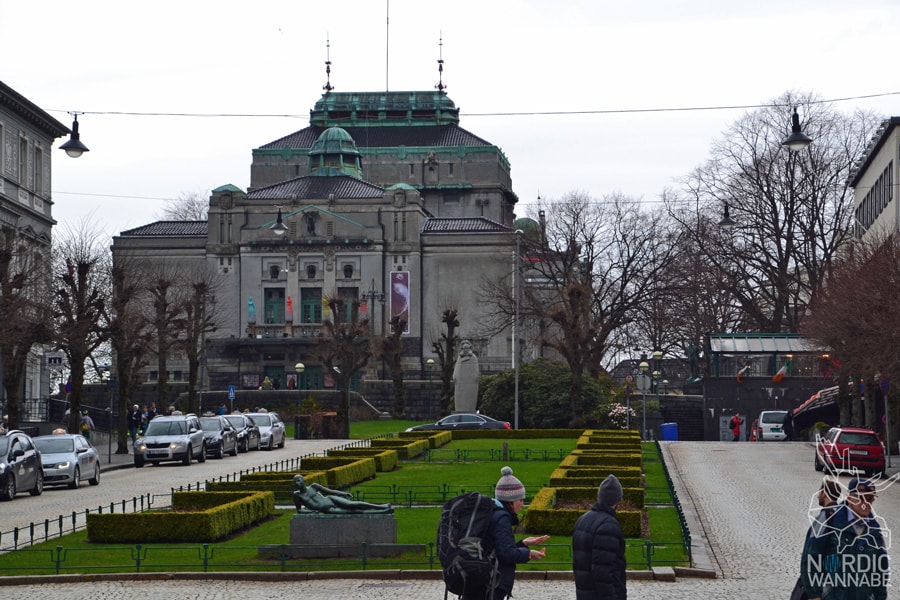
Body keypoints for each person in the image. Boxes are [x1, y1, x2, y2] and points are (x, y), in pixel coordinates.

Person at [802, 478, 888, 600]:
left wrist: (880, 597)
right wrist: (814, 595)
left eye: (870, 499)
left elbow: (881, 569)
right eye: (861, 498)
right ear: (850, 498)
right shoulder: (828, 520)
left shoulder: (874, 531)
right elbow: (811, 557)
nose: (866, 504)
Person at [483, 466, 549, 600]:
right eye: (520, 500)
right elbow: (506, 555)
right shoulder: (502, 518)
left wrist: (523, 543)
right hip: (493, 582)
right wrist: (529, 553)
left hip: (482, 578)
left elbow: (496, 548)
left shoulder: (491, 513)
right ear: (511, 501)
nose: (522, 504)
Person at [572, 474, 627, 600]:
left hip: (584, 592)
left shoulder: (582, 520)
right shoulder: (608, 525)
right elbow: (603, 572)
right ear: (618, 500)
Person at [796, 476, 842, 600]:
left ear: (824, 493)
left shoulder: (824, 519)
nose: (817, 496)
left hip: (821, 587)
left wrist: (813, 592)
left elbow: (811, 555)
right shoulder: (842, 517)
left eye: (819, 492)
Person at [292, 475, 394, 514]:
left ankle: (381, 506)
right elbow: (299, 510)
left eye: (298, 480)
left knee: (352, 505)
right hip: (326, 509)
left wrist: (343, 493)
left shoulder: (313, 486)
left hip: (330, 499)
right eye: (295, 481)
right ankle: (383, 512)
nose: (297, 483)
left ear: (303, 480)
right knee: (354, 512)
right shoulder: (297, 495)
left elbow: (330, 491)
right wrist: (311, 512)